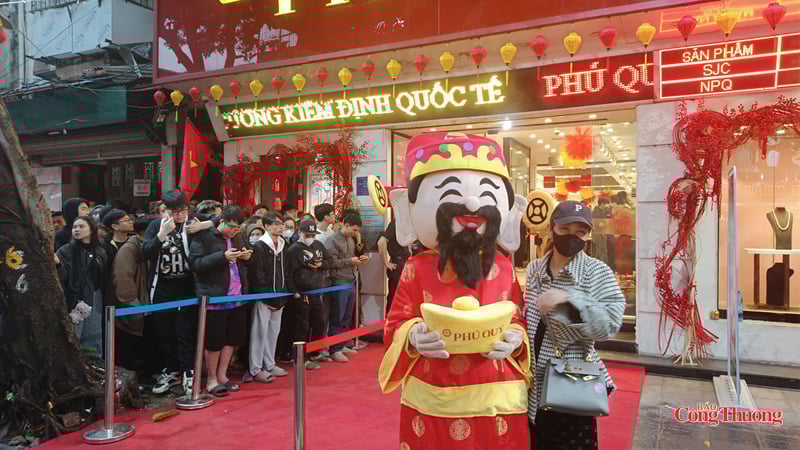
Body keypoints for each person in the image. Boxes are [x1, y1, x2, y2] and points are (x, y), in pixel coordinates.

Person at [378, 132, 531, 449]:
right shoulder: (416, 267)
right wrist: (412, 335)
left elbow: (517, 319)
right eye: (451, 192)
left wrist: (516, 339)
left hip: (497, 391)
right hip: (434, 390)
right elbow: (396, 322)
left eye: (485, 194)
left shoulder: (504, 267)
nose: (473, 204)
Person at [524, 200, 625, 450]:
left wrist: (569, 302)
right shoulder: (534, 270)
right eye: (565, 229)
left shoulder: (597, 272)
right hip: (531, 384)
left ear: (588, 235)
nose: (572, 237)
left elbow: (610, 325)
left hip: (571, 381)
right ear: (551, 229)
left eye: (580, 232)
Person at [189, 205, 252, 396]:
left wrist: (247, 256)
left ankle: (223, 375)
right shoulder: (204, 236)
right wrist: (222, 257)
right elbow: (195, 264)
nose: (234, 231)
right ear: (221, 221)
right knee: (214, 341)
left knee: (233, 338)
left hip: (238, 295)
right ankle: (211, 379)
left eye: (237, 228)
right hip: (215, 296)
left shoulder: (238, 236)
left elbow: (246, 259)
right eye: (231, 226)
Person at [142, 190, 198, 395]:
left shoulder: (193, 223)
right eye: (174, 211)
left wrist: (203, 225)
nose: (180, 215)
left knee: (186, 331)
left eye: (183, 210)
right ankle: (171, 370)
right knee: (164, 332)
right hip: (163, 286)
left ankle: (188, 370)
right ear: (166, 210)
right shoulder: (156, 226)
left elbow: (220, 220)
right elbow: (145, 253)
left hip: (187, 285)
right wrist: (162, 234)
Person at [285, 217, 348, 370]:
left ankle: (315, 352)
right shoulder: (293, 250)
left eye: (312, 235)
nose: (310, 238)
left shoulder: (318, 245)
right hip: (301, 292)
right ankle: (301, 358)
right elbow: (287, 273)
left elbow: (330, 261)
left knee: (318, 323)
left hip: (316, 289)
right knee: (302, 326)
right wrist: (294, 291)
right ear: (300, 233)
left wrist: (321, 265)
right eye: (307, 235)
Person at [246, 212, 295, 382]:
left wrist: (288, 290)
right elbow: (257, 273)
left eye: (281, 224)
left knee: (274, 332)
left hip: (280, 295)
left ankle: (270, 363)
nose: (280, 227)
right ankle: (255, 368)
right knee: (259, 332)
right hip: (264, 295)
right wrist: (265, 292)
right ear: (267, 226)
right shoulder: (260, 246)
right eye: (276, 224)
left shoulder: (283, 244)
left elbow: (286, 271)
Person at [56, 216, 108, 357]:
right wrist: (58, 265)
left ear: (92, 229)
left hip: (96, 297)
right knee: (74, 337)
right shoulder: (65, 251)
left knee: (94, 336)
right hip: (74, 299)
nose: (77, 230)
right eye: (74, 227)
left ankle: (93, 364)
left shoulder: (100, 251)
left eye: (81, 226)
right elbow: (61, 277)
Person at [108, 215, 154, 372]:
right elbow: (123, 280)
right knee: (129, 347)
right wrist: (134, 308)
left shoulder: (145, 246)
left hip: (144, 305)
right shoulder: (129, 250)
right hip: (133, 308)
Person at [324, 213, 369, 362]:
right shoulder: (332, 240)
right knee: (337, 315)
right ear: (346, 225)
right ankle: (334, 349)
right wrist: (350, 261)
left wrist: (360, 258)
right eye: (354, 229)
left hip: (350, 280)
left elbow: (351, 257)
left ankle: (341, 344)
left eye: (358, 231)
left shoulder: (350, 239)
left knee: (346, 316)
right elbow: (330, 262)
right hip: (339, 281)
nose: (356, 233)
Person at [377, 214, 410, 313]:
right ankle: (390, 320)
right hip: (399, 263)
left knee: (403, 297)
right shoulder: (396, 223)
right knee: (395, 297)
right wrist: (386, 262)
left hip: (405, 263)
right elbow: (381, 242)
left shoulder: (404, 225)